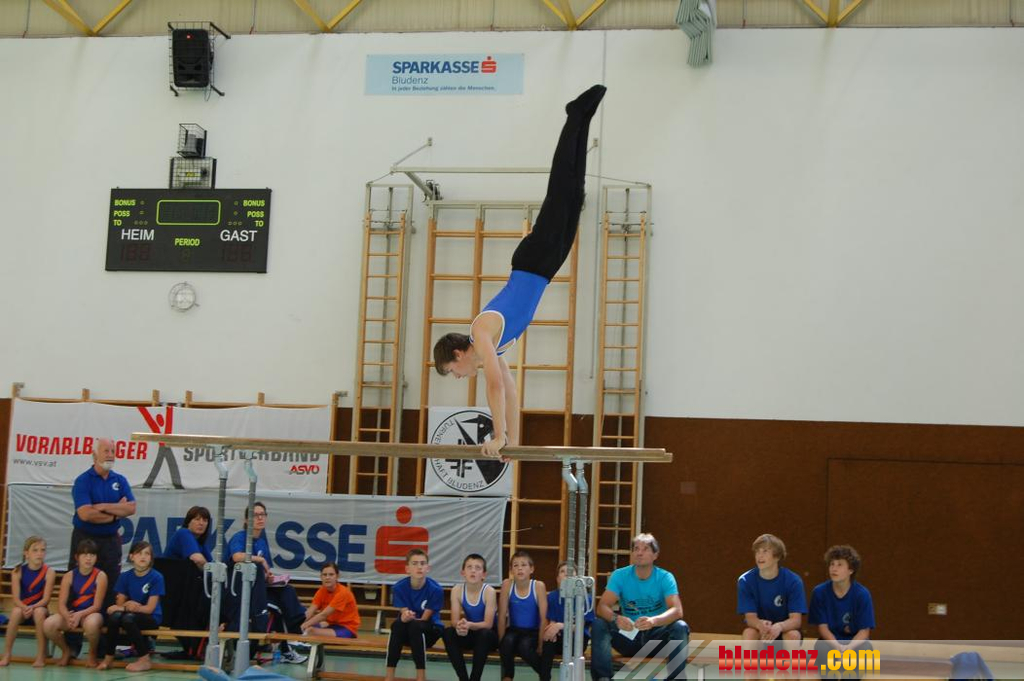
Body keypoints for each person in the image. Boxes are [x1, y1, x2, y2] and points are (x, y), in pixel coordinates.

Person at [433, 84, 608, 457]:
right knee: (574, 192)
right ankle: (584, 118)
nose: (458, 377)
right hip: (547, 267)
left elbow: (494, 386)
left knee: (561, 187)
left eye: (452, 371)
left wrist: (497, 436)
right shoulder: (493, 349)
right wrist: (510, 440)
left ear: (458, 355)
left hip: (533, 259)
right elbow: (510, 390)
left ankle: (574, 115)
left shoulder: (481, 332)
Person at [591, 533, 689, 681]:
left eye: (645, 549)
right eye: (636, 549)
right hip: (629, 637)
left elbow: (677, 611)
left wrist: (653, 621)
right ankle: (603, 678)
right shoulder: (619, 575)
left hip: (656, 639)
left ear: (655, 555)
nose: (639, 553)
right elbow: (602, 607)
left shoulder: (665, 577)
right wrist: (616, 618)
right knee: (599, 624)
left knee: (680, 627)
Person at [224, 502, 307, 665]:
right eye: (255, 515)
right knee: (277, 607)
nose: (260, 518)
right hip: (239, 592)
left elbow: (263, 571)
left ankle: (295, 632)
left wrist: (269, 576)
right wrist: (260, 560)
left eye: (262, 514)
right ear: (246, 520)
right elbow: (237, 557)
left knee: (287, 590)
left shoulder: (262, 541)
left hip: (259, 589)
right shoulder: (240, 537)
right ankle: (287, 647)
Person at [69, 437, 136, 606]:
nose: (110, 455)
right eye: (106, 451)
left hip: (110, 541)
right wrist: (115, 514)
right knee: (79, 582)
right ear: (94, 455)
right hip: (85, 539)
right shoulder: (83, 480)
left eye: (113, 451)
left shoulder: (120, 480)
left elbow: (131, 508)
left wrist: (104, 506)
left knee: (111, 583)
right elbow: (85, 514)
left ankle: (106, 619)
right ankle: (75, 621)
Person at [98, 540, 165, 672]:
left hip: (151, 617)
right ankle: (109, 657)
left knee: (127, 618)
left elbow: (149, 609)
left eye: (147, 554)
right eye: (139, 553)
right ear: (131, 556)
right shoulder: (125, 576)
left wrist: (127, 607)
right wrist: (127, 604)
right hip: (131, 614)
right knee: (114, 617)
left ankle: (144, 659)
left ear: (151, 558)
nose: (143, 556)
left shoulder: (157, 577)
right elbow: (119, 603)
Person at [43, 539, 108, 667]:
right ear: (77, 557)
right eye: (85, 555)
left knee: (91, 624)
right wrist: (67, 616)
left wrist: (80, 615)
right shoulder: (69, 576)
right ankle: (66, 651)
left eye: (92, 555)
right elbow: (61, 604)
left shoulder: (101, 576)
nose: (88, 558)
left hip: (91, 613)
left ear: (96, 557)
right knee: (48, 625)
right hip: (73, 614)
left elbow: (97, 606)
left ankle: (92, 653)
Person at [384, 549, 445, 681]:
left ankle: (421, 676)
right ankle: (389, 676)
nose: (419, 567)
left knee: (415, 625)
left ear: (428, 568)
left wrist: (409, 618)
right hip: (407, 631)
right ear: (407, 569)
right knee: (397, 625)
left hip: (429, 631)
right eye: (415, 563)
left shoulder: (436, 590)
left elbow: (424, 618)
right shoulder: (399, 588)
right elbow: (404, 613)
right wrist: (405, 616)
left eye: (422, 563)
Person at [737, 534, 806, 642]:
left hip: (784, 630)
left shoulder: (793, 581)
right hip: (761, 631)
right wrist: (760, 625)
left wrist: (779, 627)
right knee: (749, 633)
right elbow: (750, 617)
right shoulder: (745, 580)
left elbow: (796, 620)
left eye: (765, 551)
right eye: (757, 551)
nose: (760, 556)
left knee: (793, 635)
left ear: (777, 556)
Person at [0, 536, 56, 667]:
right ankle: (7, 654)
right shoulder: (18, 571)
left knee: (38, 612)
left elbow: (46, 599)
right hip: (23, 609)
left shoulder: (49, 572)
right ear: (26, 553)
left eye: (42, 550)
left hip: (40, 609)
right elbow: (16, 599)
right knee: (15, 612)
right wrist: (25, 607)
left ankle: (40, 656)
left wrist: (32, 607)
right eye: (35, 550)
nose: (39, 553)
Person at [809, 545, 875, 654]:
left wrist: (848, 649)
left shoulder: (862, 594)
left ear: (851, 570)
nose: (834, 569)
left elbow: (864, 631)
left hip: (854, 642)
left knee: (865, 651)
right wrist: (838, 647)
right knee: (822, 650)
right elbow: (823, 628)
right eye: (832, 564)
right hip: (830, 642)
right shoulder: (819, 592)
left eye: (839, 565)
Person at [442, 553, 498, 681]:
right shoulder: (457, 590)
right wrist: (460, 625)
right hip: (470, 632)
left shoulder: (489, 591)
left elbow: (488, 624)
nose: (473, 571)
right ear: (463, 572)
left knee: (484, 634)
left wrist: (469, 625)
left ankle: (474, 679)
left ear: (484, 574)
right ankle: (463, 678)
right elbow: (454, 621)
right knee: (448, 633)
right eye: (469, 567)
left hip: (488, 637)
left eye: (477, 568)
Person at [540, 560, 594, 681]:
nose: (566, 574)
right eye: (562, 571)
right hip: (560, 637)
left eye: (570, 571)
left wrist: (560, 626)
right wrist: (552, 631)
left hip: (578, 639)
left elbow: (581, 626)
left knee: (573, 646)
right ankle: (544, 678)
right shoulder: (552, 597)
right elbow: (552, 622)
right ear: (558, 579)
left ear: (577, 578)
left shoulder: (585, 598)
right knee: (548, 641)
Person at [498, 550, 547, 681]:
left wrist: (541, 644)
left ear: (532, 569)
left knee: (524, 647)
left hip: (533, 632)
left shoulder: (538, 586)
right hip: (514, 630)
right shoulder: (507, 585)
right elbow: (501, 616)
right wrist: (501, 642)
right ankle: (508, 676)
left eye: (524, 565)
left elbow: (544, 619)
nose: (520, 568)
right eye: (516, 565)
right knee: (507, 642)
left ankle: (544, 675)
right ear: (511, 570)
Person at [301, 561, 360, 638]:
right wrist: (300, 622)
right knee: (306, 626)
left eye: (331, 574)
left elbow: (323, 615)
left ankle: (299, 642)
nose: (327, 577)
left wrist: (305, 625)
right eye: (324, 575)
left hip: (347, 628)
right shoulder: (321, 591)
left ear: (337, 576)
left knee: (310, 631)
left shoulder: (343, 592)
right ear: (321, 577)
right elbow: (310, 611)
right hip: (331, 624)